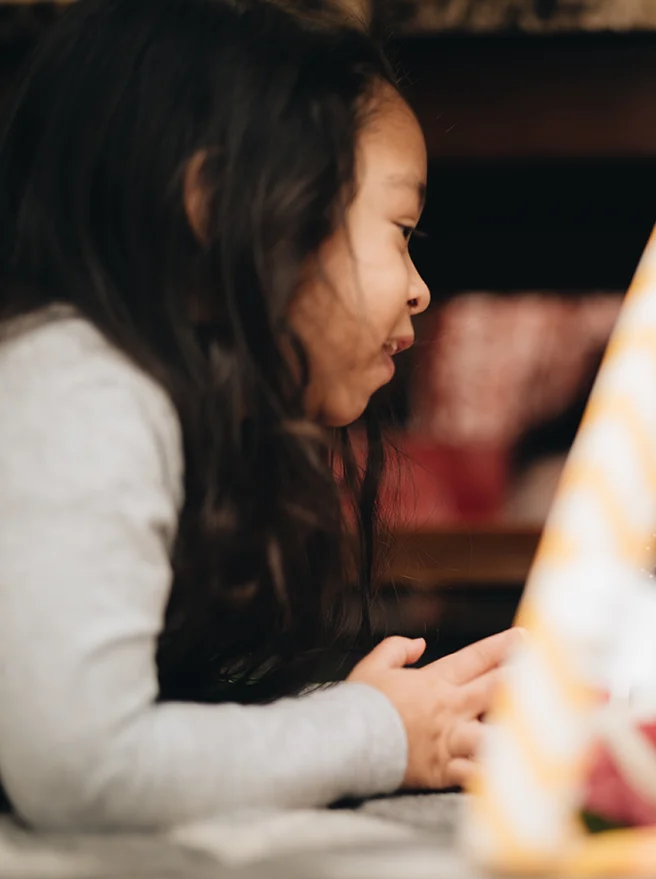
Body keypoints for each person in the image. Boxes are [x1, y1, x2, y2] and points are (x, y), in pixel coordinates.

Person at [0, 0, 516, 830]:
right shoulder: (81, 393)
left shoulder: (142, 401)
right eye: (400, 229)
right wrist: (371, 733)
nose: (420, 287)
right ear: (218, 205)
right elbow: (81, 769)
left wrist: (366, 716)